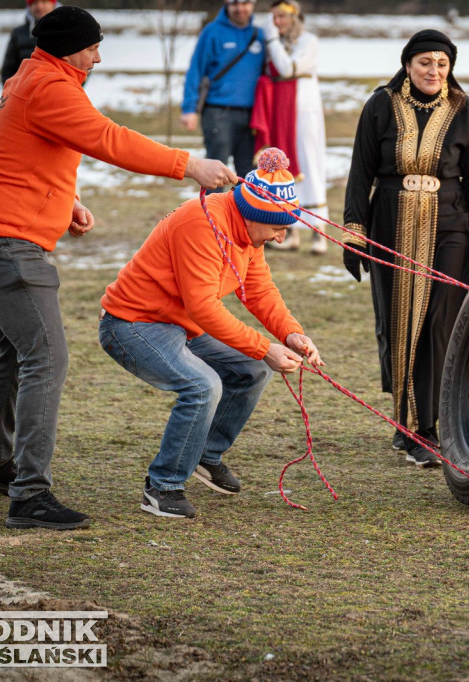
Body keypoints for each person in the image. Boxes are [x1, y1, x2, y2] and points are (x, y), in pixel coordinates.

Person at [0, 6, 236, 531]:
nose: (99, 55)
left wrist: (66, 199)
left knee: (14, 354)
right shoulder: (49, 86)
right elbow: (108, 138)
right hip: (6, 244)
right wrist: (187, 164)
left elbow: (17, 149)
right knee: (46, 359)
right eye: (91, 46)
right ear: (67, 47)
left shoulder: (33, 76)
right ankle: (29, 495)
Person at [100, 148, 322, 518]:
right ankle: (163, 487)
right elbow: (203, 306)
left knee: (252, 369)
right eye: (278, 229)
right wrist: (262, 345)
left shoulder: (249, 235)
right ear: (254, 216)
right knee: (202, 386)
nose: (282, 239)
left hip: (180, 324)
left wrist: (290, 334)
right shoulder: (204, 224)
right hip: (132, 323)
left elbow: (259, 290)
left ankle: (205, 454)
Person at [342, 30, 469, 468]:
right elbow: (359, 172)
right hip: (389, 222)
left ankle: (428, 428)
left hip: (450, 225)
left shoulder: (465, 111)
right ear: (408, 64)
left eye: (442, 63)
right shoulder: (380, 106)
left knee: (439, 322)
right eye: (425, 62)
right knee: (398, 323)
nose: (434, 71)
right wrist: (353, 234)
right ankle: (405, 423)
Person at [253, 0, 329, 254]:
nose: (278, 22)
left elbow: (287, 67)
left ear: (294, 17)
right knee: (284, 167)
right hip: (280, 111)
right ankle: (290, 230)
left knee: (308, 163)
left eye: (282, 16)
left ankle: (319, 232)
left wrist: (272, 39)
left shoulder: (309, 41)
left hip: (303, 109)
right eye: (274, 17)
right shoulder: (273, 45)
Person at [181, 0, 265, 180]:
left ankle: (245, 208)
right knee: (216, 174)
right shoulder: (212, 32)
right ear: (227, 4)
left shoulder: (260, 35)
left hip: (252, 117)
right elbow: (196, 70)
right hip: (218, 113)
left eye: (245, 3)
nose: (240, 8)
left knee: (250, 176)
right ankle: (214, 208)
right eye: (235, 3)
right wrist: (189, 108)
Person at [1, 0, 56, 83]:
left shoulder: (68, 32)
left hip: (58, 92)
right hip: (25, 92)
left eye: (44, 1)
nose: (39, 6)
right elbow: (8, 71)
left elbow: (78, 69)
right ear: (29, 7)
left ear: (53, 4)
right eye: (35, 3)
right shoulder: (18, 34)